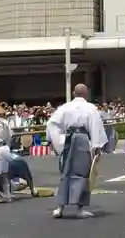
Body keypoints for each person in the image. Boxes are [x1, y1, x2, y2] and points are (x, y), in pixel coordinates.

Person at [46, 84, 108, 218]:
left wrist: (58, 140)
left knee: (66, 172)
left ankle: (60, 208)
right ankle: (79, 208)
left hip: (68, 139)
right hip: (83, 139)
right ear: (86, 94)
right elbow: (95, 126)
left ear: (74, 93)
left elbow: (52, 123)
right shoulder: (90, 108)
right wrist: (96, 146)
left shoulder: (65, 107)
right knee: (83, 173)